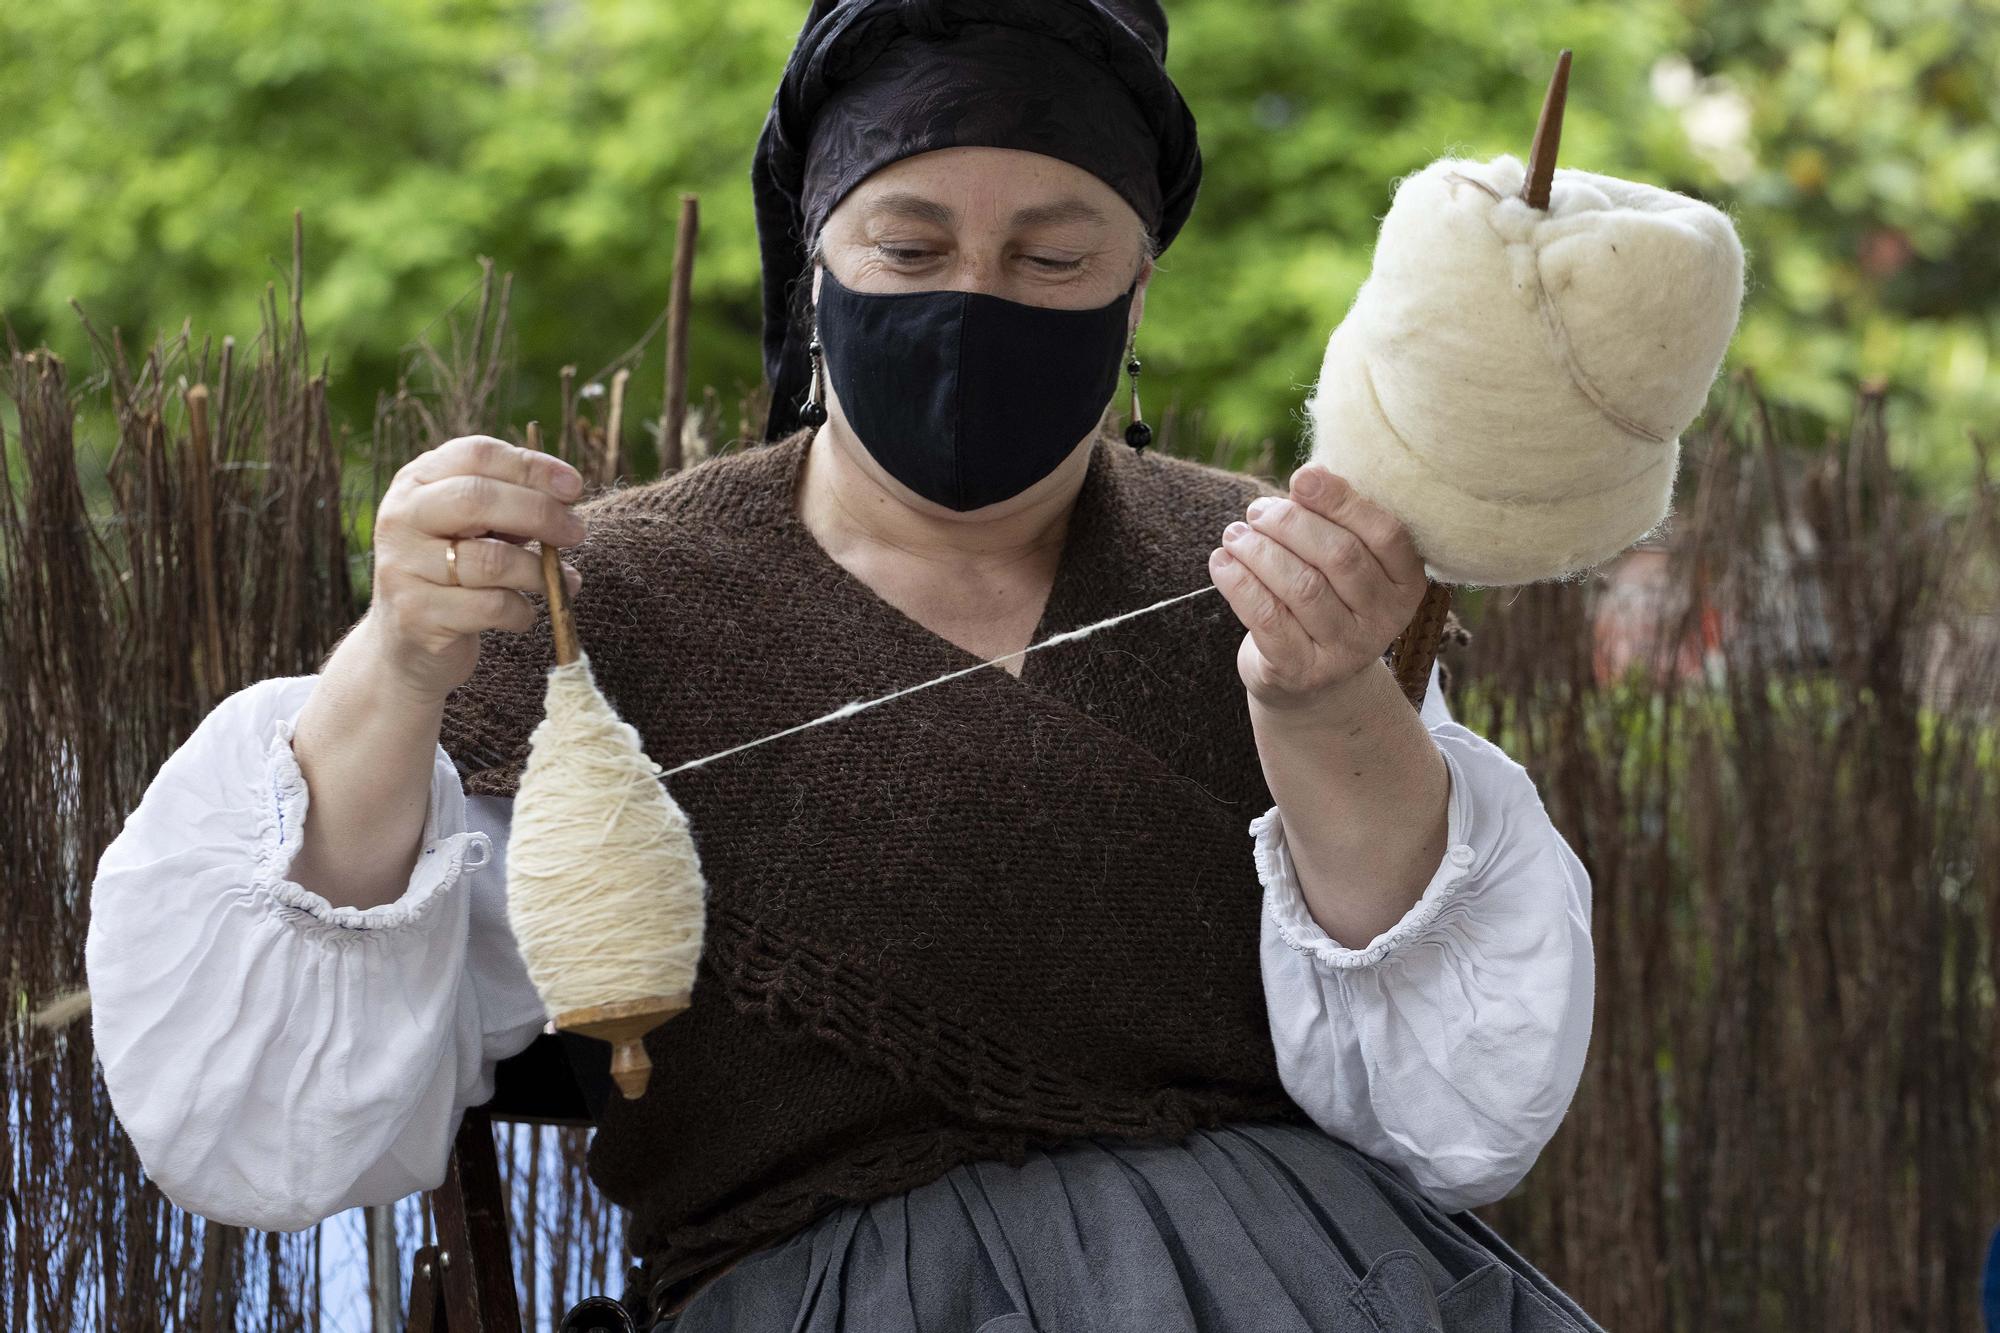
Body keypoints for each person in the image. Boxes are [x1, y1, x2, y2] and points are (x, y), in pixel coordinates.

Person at [86, 2, 1602, 1329]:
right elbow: (264, 1130)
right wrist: (401, 660)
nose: (975, 298)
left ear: (1138, 291)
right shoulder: (591, 616)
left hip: (1305, 1288)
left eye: (1053, 254)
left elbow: (1461, 1117)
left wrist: (1335, 707)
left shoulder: (1270, 581)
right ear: (816, 271)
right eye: (911, 244)